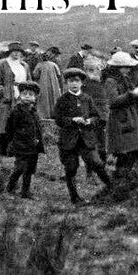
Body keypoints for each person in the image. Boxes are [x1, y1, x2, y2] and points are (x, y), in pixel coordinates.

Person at [53, 68, 112, 204]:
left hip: (86, 139)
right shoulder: (62, 99)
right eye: (70, 81)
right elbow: (58, 119)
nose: (74, 84)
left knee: (97, 163)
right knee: (71, 167)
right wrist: (73, 120)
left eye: (77, 81)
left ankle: (112, 188)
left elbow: (96, 116)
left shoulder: (86, 98)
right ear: (66, 83)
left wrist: (90, 121)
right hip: (69, 139)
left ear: (82, 83)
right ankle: (75, 197)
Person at [102, 51, 138, 177]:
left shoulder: (125, 78)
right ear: (117, 68)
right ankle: (118, 181)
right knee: (124, 153)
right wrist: (133, 94)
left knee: (133, 152)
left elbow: (130, 93)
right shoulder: (110, 81)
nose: (128, 69)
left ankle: (120, 179)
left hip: (129, 118)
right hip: (120, 121)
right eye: (125, 67)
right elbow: (113, 101)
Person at [0, 42, 29, 156]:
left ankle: (9, 149)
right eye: (13, 51)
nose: (16, 54)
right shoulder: (1, 64)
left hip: (20, 97)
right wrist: (5, 92)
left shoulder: (24, 65)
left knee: (14, 124)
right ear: (9, 53)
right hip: (3, 98)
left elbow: (28, 81)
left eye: (18, 52)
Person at [4, 81, 44, 197]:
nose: (27, 96)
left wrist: (38, 140)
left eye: (30, 94)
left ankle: (25, 191)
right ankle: (10, 189)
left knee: (30, 170)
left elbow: (37, 129)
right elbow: (10, 128)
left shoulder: (34, 112)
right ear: (20, 96)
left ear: (35, 97)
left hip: (33, 146)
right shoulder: (16, 111)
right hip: (20, 145)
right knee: (20, 168)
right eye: (24, 94)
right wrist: (12, 142)